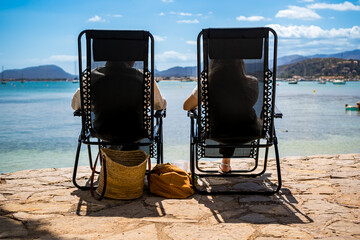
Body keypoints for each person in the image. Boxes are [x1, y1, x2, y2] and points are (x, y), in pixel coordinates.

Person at [183, 59, 260, 173]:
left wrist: (206, 99)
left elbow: (186, 106)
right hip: (250, 131)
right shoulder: (252, 82)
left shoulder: (206, 83)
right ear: (240, 64)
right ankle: (225, 163)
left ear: (213, 64)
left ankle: (225, 163)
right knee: (234, 117)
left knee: (224, 120)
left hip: (216, 132)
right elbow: (247, 104)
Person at [72, 61, 167, 143]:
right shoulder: (143, 77)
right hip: (137, 133)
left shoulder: (92, 77)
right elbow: (158, 105)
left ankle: (110, 158)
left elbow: (76, 105)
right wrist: (164, 103)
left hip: (102, 132)